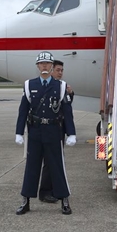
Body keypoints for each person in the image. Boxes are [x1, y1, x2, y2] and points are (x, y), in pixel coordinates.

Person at [15, 51, 76, 215]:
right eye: (41, 63)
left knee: (57, 166)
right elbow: (23, 110)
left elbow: (67, 111)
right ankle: (25, 200)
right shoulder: (29, 85)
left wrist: (71, 133)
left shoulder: (61, 86)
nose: (44, 66)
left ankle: (64, 200)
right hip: (35, 131)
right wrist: (19, 132)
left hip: (53, 131)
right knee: (31, 166)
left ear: (51, 66)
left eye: (47, 64)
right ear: (37, 66)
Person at [38, 59, 74, 202]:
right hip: (49, 129)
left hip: (60, 129)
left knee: (57, 161)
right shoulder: (46, 87)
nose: (60, 73)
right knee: (49, 161)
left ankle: (54, 190)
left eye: (62, 71)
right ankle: (45, 192)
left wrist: (71, 94)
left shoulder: (62, 86)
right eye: (58, 70)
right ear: (51, 70)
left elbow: (66, 107)